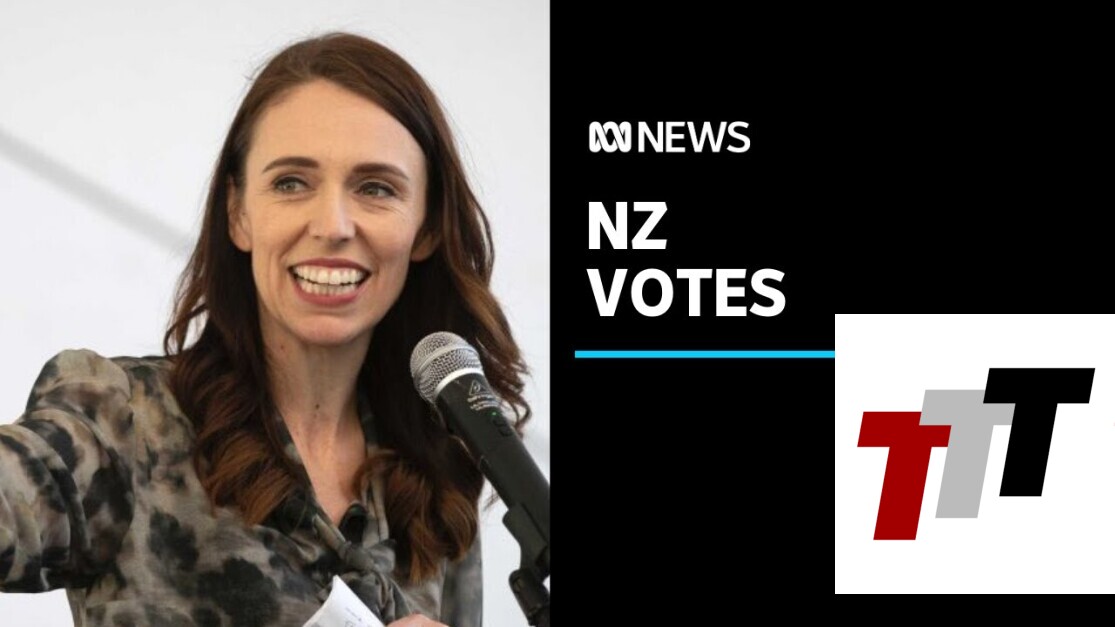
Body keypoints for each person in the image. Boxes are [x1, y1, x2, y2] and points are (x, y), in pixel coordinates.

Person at [0, 31, 530, 627]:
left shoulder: (435, 476)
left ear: (426, 227)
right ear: (238, 213)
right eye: (291, 183)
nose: (332, 225)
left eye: (376, 188)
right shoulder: (124, 421)